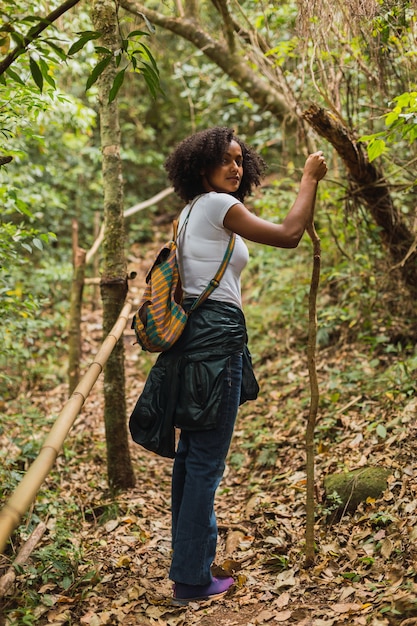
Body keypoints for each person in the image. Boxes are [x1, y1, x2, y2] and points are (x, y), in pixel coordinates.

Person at [156, 127, 326, 605]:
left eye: (239, 160)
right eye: (225, 159)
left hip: (191, 340)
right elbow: (290, 235)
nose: (234, 167)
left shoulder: (189, 213)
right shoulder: (213, 205)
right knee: (206, 460)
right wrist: (309, 178)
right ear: (200, 166)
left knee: (192, 459)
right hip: (215, 341)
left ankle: (189, 569)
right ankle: (191, 579)